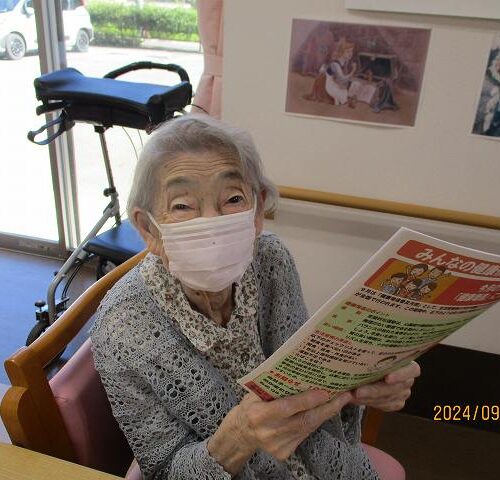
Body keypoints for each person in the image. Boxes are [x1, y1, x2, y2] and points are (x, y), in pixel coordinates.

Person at [90, 114, 420, 480]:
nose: (212, 222)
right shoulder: (122, 327)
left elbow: (306, 375)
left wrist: (365, 381)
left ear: (257, 210)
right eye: (183, 206)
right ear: (148, 228)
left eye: (233, 199)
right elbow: (164, 470)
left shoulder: (270, 260)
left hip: (322, 460)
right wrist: (239, 436)